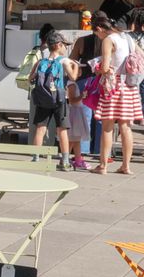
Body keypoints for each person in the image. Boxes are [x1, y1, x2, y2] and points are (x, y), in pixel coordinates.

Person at [91, 14, 143, 174]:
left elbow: (105, 68)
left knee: (107, 127)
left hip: (113, 86)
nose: (98, 37)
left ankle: (103, 166)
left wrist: (96, 68)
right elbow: (143, 57)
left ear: (100, 29)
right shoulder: (127, 38)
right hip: (129, 86)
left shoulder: (108, 40)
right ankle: (126, 166)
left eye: (96, 34)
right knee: (126, 127)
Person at [28, 31, 78, 171]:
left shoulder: (40, 62)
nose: (65, 48)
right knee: (62, 130)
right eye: (64, 46)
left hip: (43, 99)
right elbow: (73, 77)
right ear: (59, 45)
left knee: (40, 128)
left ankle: (35, 158)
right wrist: (76, 66)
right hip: (59, 100)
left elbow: (30, 78)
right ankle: (66, 161)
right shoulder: (64, 61)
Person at [70, 17, 106, 158]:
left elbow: (73, 59)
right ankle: (98, 149)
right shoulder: (108, 42)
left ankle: (83, 149)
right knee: (101, 116)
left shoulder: (81, 41)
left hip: (84, 81)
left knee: (84, 117)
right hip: (101, 82)